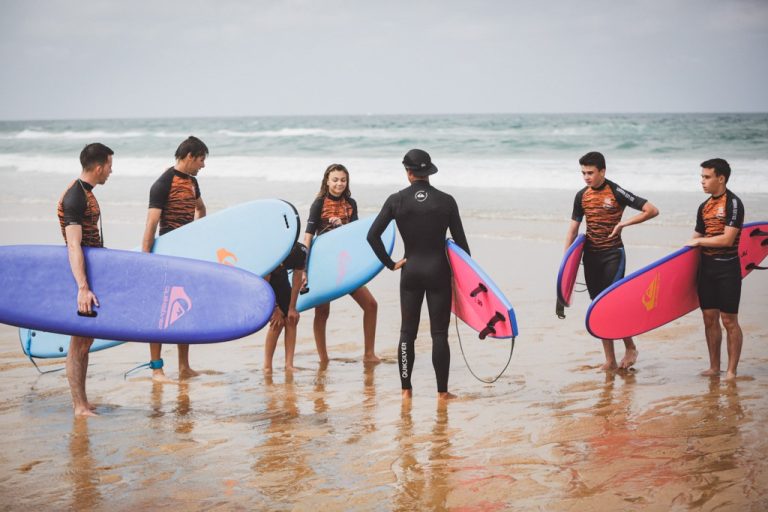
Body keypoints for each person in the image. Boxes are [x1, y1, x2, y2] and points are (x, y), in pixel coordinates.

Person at [367, 149, 469, 400]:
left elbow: (372, 236)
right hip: (438, 272)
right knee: (439, 334)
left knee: (407, 333)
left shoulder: (396, 200)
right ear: (428, 172)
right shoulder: (446, 201)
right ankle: (442, 393)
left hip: (410, 270)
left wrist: (390, 264)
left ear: (408, 172)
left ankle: (405, 390)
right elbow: (463, 248)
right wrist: (462, 280)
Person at [564, 151, 659, 371]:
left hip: (613, 255)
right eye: (583, 173)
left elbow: (651, 210)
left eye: (590, 172)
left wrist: (624, 224)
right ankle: (610, 360)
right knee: (598, 308)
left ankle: (630, 347)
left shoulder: (616, 191)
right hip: (591, 257)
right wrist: (565, 262)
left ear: (602, 171)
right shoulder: (581, 196)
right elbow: (573, 229)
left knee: (612, 304)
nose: (586, 177)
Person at [141, 136, 208, 382]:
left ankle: (184, 367)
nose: (203, 165)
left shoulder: (192, 182)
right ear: (189, 156)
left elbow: (201, 208)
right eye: (201, 159)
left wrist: (196, 235)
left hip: (186, 254)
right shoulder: (163, 183)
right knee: (160, 311)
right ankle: (157, 369)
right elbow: (151, 224)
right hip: (165, 256)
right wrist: (145, 260)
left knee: (184, 308)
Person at [303, 163, 380, 365]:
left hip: (345, 264)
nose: (339, 183)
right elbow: (308, 237)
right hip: (325, 265)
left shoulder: (350, 203)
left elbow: (355, 235)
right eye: (335, 179)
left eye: (343, 180)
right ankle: (323, 359)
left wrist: (361, 264)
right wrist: (304, 268)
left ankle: (369, 354)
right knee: (322, 312)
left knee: (370, 305)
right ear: (327, 181)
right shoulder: (319, 203)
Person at [58, 142, 114, 416]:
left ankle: (82, 401)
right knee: (79, 342)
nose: (111, 172)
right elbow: (73, 245)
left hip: (91, 275)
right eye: (110, 167)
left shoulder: (85, 193)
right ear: (100, 166)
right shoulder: (75, 197)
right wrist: (82, 287)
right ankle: (78, 405)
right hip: (82, 278)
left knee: (85, 341)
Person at [686, 158, 745, 380]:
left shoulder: (734, 203)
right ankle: (714, 367)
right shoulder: (704, 207)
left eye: (707, 177)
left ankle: (731, 370)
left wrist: (699, 243)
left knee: (729, 321)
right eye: (702, 177)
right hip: (707, 270)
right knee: (709, 319)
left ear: (721, 178)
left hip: (727, 270)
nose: (702, 181)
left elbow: (728, 239)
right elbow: (696, 237)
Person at [263, 242, 307, 373]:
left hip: (281, 277)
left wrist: (292, 308)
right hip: (265, 282)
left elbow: (297, 279)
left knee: (291, 318)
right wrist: (275, 308)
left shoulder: (300, 251)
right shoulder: (270, 251)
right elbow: (264, 283)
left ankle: (289, 365)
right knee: (277, 321)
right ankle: (267, 366)